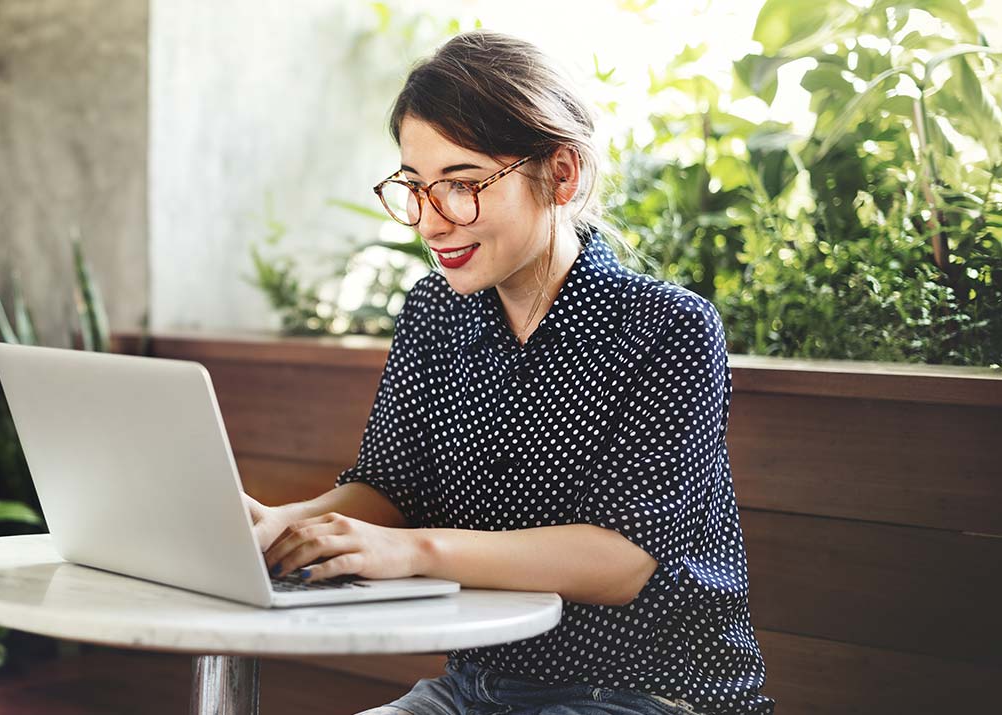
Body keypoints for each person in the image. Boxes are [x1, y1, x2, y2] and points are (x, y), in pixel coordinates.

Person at [242, 30, 773, 715]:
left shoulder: (668, 326)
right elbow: (387, 488)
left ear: (561, 173)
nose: (431, 224)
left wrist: (410, 550)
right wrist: (283, 525)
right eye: (415, 187)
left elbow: (621, 561)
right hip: (475, 690)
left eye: (461, 186)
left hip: (651, 694)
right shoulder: (435, 310)